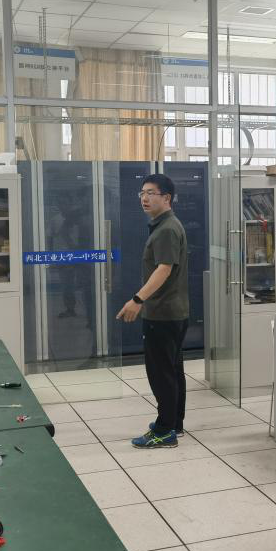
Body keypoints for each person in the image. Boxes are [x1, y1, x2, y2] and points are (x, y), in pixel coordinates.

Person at [116, 174, 189, 449]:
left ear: (166, 198)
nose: (144, 198)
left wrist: (137, 299)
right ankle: (174, 422)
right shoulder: (165, 225)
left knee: (161, 373)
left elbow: (164, 269)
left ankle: (164, 430)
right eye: (142, 193)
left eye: (151, 193)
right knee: (172, 369)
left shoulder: (167, 229)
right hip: (173, 311)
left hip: (163, 313)